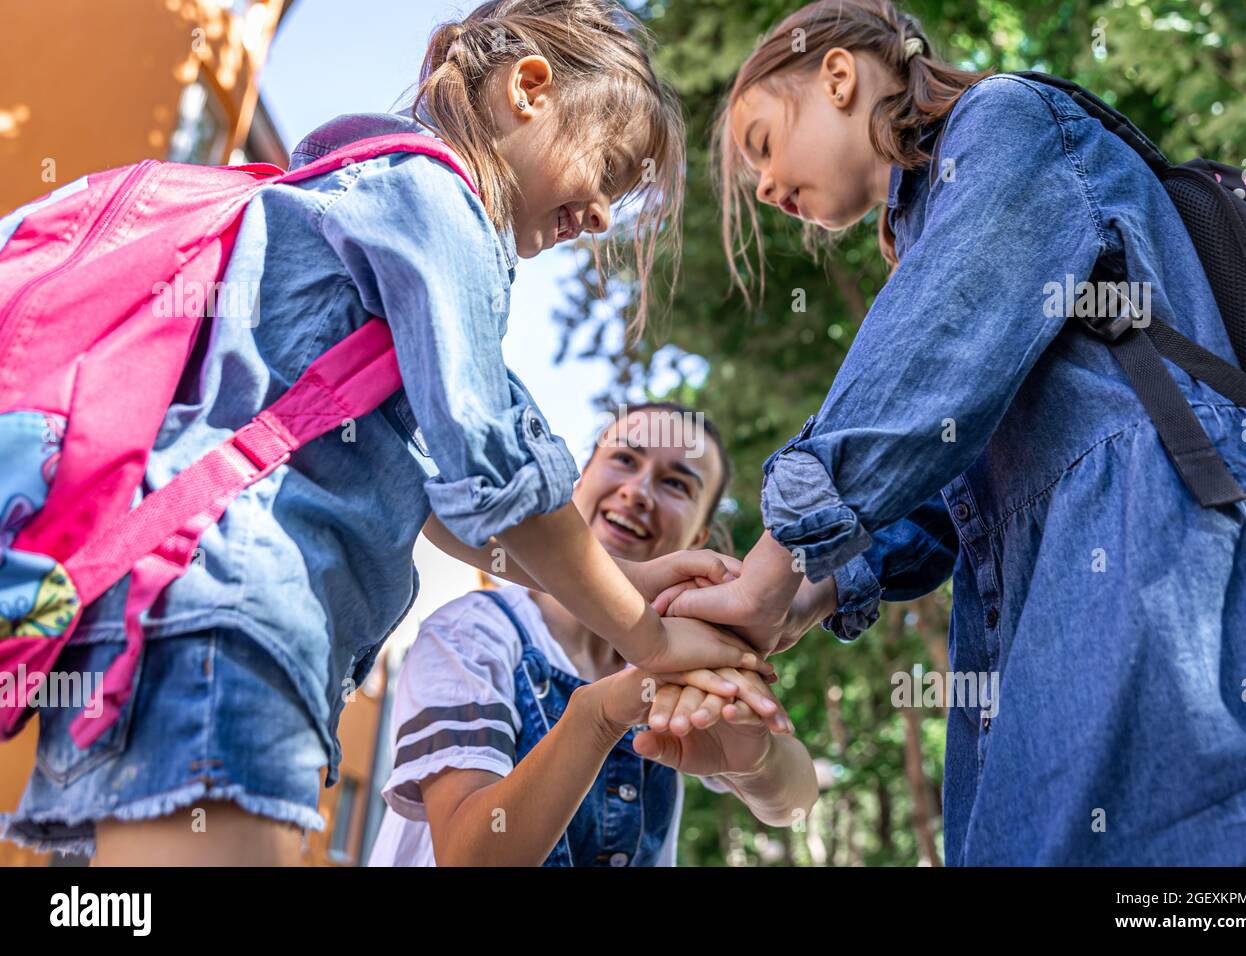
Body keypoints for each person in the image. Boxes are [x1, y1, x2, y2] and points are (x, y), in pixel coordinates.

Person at [0, 0, 770, 865]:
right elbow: (500, 476)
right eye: (611, 169)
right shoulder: (436, 204)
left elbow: (445, 501)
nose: (601, 217)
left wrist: (623, 578)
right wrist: (653, 637)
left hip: (157, 617)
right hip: (236, 618)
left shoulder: (368, 207)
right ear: (529, 88)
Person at [659, 0, 1246, 865]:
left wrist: (770, 568)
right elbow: (939, 491)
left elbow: (931, 360)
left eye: (764, 144)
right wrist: (801, 596)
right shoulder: (932, 229)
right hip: (1039, 623)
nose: (767, 189)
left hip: (1162, 567)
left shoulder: (1005, 121)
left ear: (838, 76)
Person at [369, 403, 817, 866]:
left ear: (699, 534)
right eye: (625, 459)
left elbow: (797, 803)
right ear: (577, 480)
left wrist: (757, 761)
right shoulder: (472, 633)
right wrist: (598, 717)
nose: (639, 491)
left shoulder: (691, 655)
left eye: (676, 484)